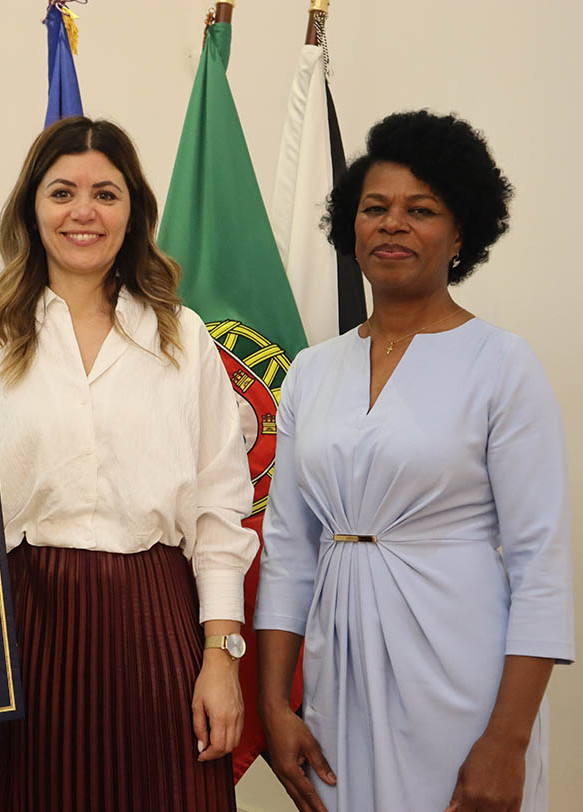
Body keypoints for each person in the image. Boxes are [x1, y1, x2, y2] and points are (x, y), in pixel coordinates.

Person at [254, 110, 575, 812]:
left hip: (462, 674)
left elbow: (540, 565)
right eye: (375, 208)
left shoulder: (501, 363)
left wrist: (508, 741)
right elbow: (288, 550)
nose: (392, 224)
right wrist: (274, 706)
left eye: (420, 210)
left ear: (461, 234)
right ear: (351, 227)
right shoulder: (311, 370)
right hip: (338, 670)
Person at [0, 116, 258, 811]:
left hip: (157, 624)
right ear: (32, 209)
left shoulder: (184, 340)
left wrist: (220, 657)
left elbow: (219, 507)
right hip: (25, 630)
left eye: (105, 194)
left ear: (133, 212)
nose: (83, 212)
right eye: (62, 192)